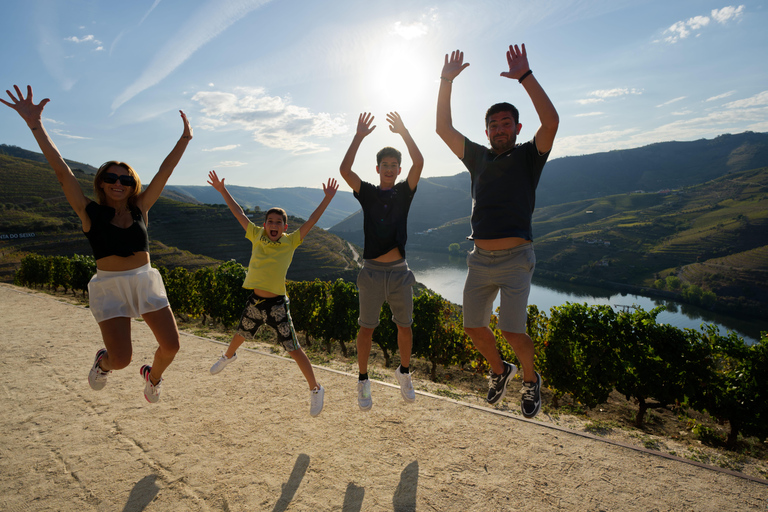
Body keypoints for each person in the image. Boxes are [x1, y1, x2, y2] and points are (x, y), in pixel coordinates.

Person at [1, 85, 193, 403]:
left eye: (126, 179)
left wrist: (184, 139)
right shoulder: (88, 211)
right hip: (110, 286)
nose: (119, 183)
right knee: (121, 359)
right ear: (101, 182)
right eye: (112, 178)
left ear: (133, 185)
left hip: (145, 282)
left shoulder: (141, 208)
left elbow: (165, 171)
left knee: (171, 346)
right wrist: (35, 125)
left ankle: (153, 377)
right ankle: (103, 362)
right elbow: (61, 171)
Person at [435, 45, 559, 418]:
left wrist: (525, 76)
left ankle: (530, 379)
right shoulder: (478, 157)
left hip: (517, 259)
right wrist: (446, 81)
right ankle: (499, 370)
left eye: (507, 124)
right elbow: (442, 128)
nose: (500, 129)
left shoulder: (528, 157)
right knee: (473, 327)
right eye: (494, 124)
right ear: (486, 130)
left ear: (517, 129)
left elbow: (551, 122)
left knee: (511, 331)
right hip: (479, 259)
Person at [206, 170, 338, 417]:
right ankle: (227, 356)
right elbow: (239, 213)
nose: (274, 226)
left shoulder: (291, 241)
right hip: (256, 300)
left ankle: (316, 388)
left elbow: (311, 220)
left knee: (293, 348)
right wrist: (223, 191)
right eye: (270, 222)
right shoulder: (256, 235)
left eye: (279, 223)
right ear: (264, 224)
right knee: (240, 333)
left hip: (277, 303)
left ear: (285, 227)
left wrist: (327, 199)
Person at [339, 112, 424, 411]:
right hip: (373, 272)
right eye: (384, 165)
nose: (389, 169)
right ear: (377, 168)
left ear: (399, 169)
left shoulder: (405, 192)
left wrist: (404, 131)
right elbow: (344, 169)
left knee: (405, 327)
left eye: (393, 165)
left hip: (399, 272)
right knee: (366, 329)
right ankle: (363, 379)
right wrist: (359, 136)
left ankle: (404, 371)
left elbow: (420, 162)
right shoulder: (368, 193)